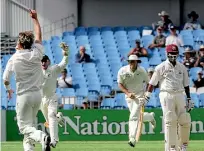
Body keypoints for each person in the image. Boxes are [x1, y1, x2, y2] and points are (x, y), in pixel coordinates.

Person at [3, 10, 51, 151]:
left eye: (18, 40)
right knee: (29, 128)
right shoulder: (36, 52)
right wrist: (35, 19)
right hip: (37, 96)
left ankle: (42, 136)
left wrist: (8, 89)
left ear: (20, 44)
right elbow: (39, 36)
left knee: (24, 128)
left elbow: (5, 79)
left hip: (23, 96)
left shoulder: (14, 59)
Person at [144, 44, 194, 151]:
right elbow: (152, 83)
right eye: (171, 53)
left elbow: (186, 85)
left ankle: (183, 146)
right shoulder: (160, 67)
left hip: (180, 94)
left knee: (184, 118)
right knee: (170, 119)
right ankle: (171, 147)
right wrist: (147, 96)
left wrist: (189, 99)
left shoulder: (182, 67)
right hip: (166, 94)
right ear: (167, 53)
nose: (173, 56)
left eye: (175, 53)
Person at [117, 55, 156, 147]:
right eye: (130, 61)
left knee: (133, 116)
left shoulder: (142, 71)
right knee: (137, 117)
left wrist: (146, 96)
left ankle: (132, 138)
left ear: (137, 62)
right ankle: (150, 117)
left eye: (133, 61)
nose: (131, 63)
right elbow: (120, 84)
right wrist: (128, 93)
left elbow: (149, 83)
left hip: (139, 96)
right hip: (129, 97)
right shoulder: (122, 71)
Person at [41, 42, 69, 148]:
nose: (43, 63)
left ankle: (54, 141)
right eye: (41, 61)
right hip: (41, 100)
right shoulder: (37, 72)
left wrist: (66, 53)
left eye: (45, 61)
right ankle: (59, 118)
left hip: (52, 97)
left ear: (48, 62)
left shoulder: (53, 69)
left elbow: (64, 62)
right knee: (49, 121)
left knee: (51, 116)